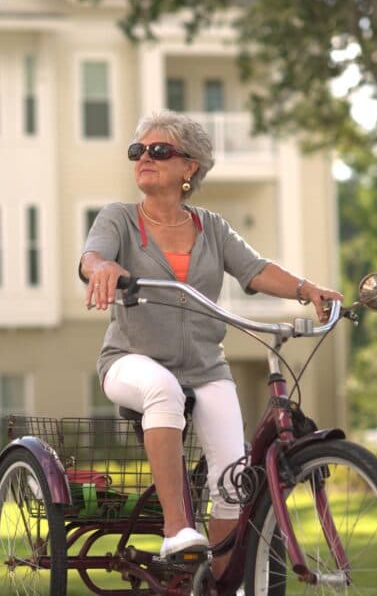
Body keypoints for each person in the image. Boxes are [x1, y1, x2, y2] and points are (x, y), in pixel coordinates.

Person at [79, 110, 342, 576]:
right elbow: (93, 256)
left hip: (205, 367)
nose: (144, 158)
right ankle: (176, 530)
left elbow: (256, 269)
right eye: (137, 150)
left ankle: (218, 586)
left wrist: (308, 290)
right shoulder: (119, 219)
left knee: (233, 483)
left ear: (190, 168)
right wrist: (101, 269)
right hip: (130, 362)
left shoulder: (212, 228)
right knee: (162, 390)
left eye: (159, 151)